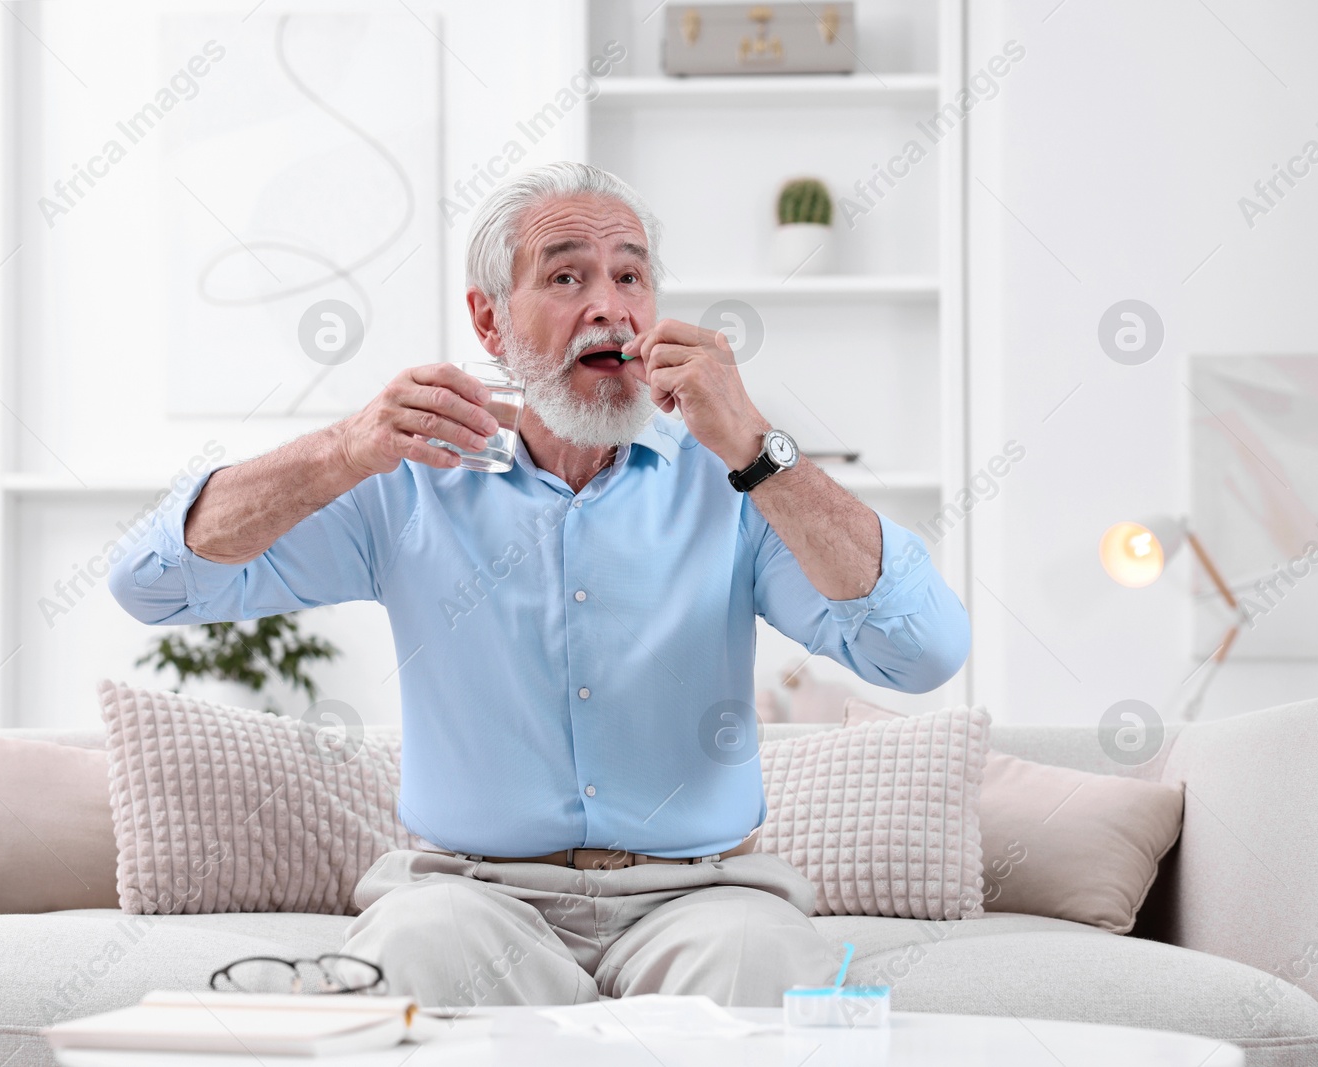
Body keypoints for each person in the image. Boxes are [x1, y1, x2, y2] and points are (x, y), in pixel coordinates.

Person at [109, 161, 970, 1008]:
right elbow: (154, 582)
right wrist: (342, 449)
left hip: (700, 899)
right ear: (490, 323)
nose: (609, 304)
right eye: (567, 275)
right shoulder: (410, 478)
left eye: (630, 275)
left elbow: (922, 651)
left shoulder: (736, 483)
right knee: (411, 950)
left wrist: (755, 444)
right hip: (473, 895)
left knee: (769, 973)